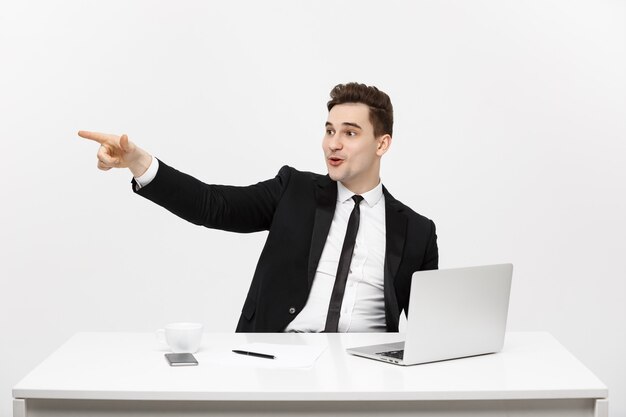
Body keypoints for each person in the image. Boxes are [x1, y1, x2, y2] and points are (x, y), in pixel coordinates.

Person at [79, 82, 438, 333]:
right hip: (280, 358)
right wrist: (139, 161)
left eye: (350, 133)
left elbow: (430, 330)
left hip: (367, 374)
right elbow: (213, 206)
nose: (334, 144)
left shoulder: (418, 231)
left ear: (382, 144)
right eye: (329, 131)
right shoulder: (293, 190)